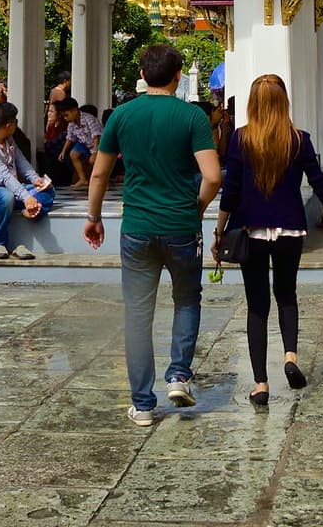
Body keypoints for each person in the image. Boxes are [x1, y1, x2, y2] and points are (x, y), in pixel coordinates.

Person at [82, 42, 221, 425]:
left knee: (138, 314)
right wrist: (197, 208)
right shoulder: (192, 117)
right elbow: (212, 176)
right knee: (187, 300)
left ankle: (143, 403)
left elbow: (99, 173)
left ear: (142, 75)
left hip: (138, 227)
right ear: (179, 76)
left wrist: (94, 216)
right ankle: (178, 374)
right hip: (180, 226)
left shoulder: (122, 116)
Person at [219, 74, 323, 407]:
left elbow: (230, 191)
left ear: (252, 103)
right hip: (291, 230)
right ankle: (290, 357)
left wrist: (220, 228)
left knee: (257, 308)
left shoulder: (240, 139)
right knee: (287, 294)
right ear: (284, 103)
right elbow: (321, 185)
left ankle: (261, 384)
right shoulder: (298, 139)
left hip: (251, 231)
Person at [0, 101, 54, 259]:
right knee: (5, 196)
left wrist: (36, 180)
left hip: (11, 189)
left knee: (47, 190)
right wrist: (26, 197)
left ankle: (27, 212)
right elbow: (4, 176)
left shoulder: (8, 138)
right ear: (9, 125)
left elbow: (21, 162)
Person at [61, 98, 102, 186]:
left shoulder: (89, 119)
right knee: (73, 154)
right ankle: (82, 179)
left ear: (74, 110)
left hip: (96, 144)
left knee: (93, 161)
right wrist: (63, 151)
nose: (65, 118)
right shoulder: (71, 124)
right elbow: (69, 138)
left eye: (66, 115)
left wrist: (95, 152)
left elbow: (96, 136)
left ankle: (103, 182)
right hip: (84, 144)